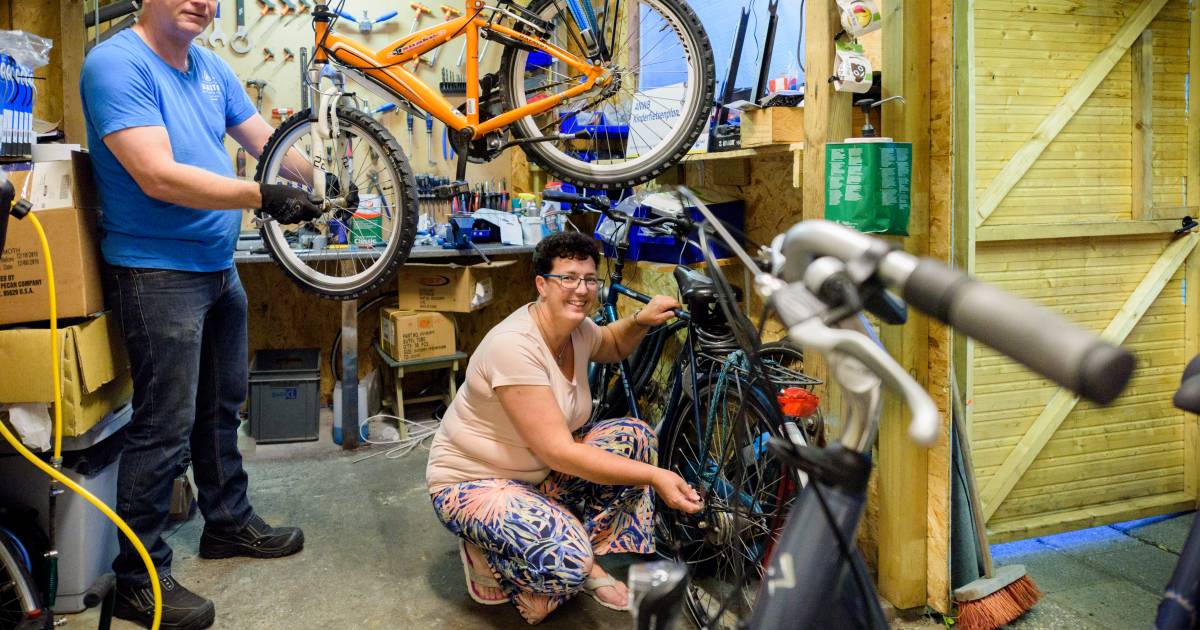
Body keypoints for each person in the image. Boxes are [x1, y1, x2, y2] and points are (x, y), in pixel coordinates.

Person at [79, 0, 330, 627]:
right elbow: (158, 176)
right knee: (164, 426)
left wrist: (322, 179)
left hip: (218, 267)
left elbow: (268, 144)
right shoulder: (116, 65)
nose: (202, 2)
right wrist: (263, 195)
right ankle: (138, 578)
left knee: (221, 408)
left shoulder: (210, 67)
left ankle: (227, 524)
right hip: (157, 270)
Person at [426, 231, 704, 624]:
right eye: (568, 278)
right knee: (567, 566)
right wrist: (656, 476)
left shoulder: (576, 330)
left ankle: (546, 534)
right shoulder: (514, 345)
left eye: (590, 279)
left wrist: (640, 320)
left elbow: (610, 343)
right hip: (473, 482)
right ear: (542, 284)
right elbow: (560, 452)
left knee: (636, 438)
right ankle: (489, 551)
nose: (582, 289)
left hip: (534, 475)